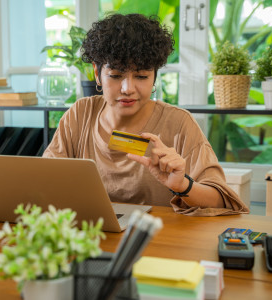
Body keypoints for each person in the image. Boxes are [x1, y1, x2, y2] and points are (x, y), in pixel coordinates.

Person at [43, 13, 249, 216]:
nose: (128, 88)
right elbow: (44, 181)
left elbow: (223, 202)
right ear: (97, 73)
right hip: (92, 239)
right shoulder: (80, 115)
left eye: (141, 76)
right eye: (115, 75)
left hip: (156, 242)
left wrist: (183, 185)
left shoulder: (178, 124)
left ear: (154, 77)